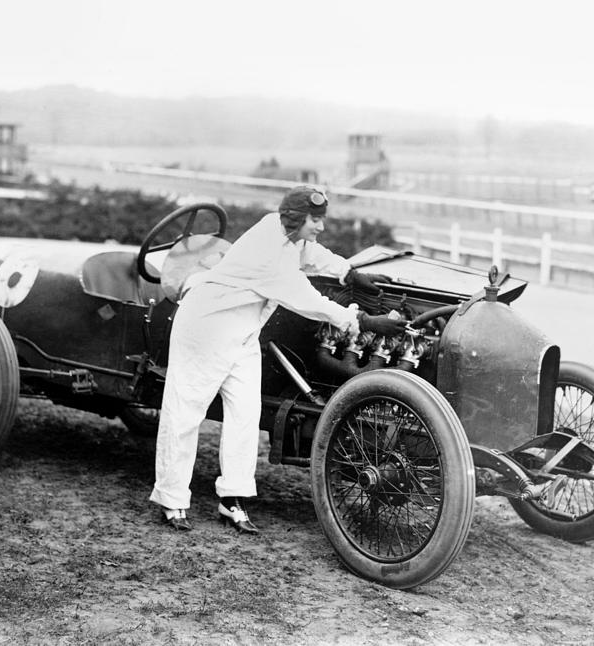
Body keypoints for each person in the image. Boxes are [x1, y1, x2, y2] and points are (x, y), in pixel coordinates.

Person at [149, 185, 407, 533]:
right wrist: (362, 321)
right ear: (297, 219)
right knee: (186, 413)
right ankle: (172, 499)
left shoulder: (283, 230)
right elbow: (307, 299)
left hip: (241, 331)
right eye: (316, 220)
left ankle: (232, 500)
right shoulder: (268, 253)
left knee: (245, 414)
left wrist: (348, 273)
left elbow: (310, 252)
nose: (321, 226)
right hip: (205, 329)